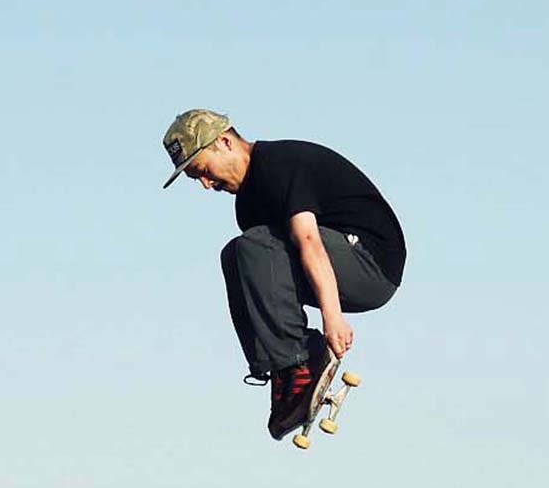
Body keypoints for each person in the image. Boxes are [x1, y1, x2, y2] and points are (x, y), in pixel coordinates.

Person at [162, 109, 406, 440]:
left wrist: (332, 317)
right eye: (197, 179)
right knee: (235, 256)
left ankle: (300, 361)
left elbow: (308, 240)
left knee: (254, 245)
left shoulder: (279, 164)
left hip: (371, 262)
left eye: (204, 170)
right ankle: (284, 373)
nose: (207, 184)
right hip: (334, 264)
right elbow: (269, 281)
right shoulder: (247, 206)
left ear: (224, 142)